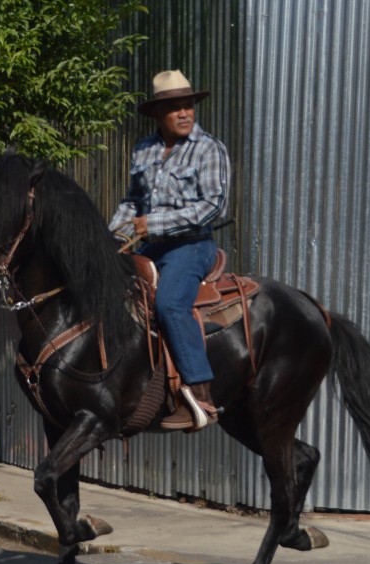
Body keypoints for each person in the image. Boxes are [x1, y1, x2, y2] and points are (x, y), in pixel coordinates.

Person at [110, 70, 231, 431]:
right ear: (158, 114)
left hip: (192, 247)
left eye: (188, 106)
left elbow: (214, 205)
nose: (184, 114)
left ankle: (200, 394)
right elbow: (133, 201)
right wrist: (111, 239)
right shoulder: (144, 149)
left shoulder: (209, 149)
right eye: (175, 108)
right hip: (150, 246)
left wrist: (156, 225)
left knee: (169, 304)